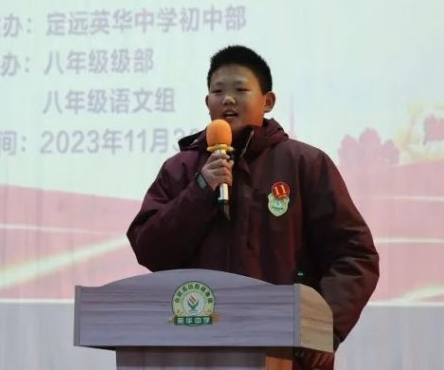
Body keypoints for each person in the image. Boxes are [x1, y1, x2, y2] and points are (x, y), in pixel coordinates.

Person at [126, 45, 379, 369]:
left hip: (287, 352)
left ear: (268, 101)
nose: (228, 100)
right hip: (196, 348)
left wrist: (324, 327)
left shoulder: (304, 164)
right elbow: (150, 249)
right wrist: (200, 190)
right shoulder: (181, 170)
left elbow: (355, 254)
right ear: (207, 102)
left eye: (240, 90)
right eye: (218, 91)